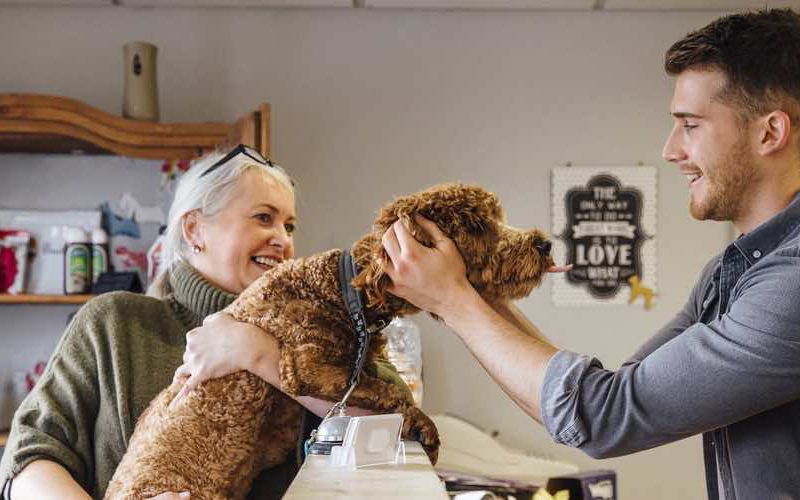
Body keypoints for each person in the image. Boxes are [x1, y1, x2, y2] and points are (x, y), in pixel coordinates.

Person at [379, 9, 800, 499]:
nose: (669, 149)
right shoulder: (731, 272)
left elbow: (605, 416)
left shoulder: (790, 282)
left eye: (690, 125)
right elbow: (604, 394)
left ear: (770, 132)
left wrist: (456, 302)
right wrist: (469, 296)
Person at [0, 144, 410, 500]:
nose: (283, 239)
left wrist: (259, 353)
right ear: (195, 229)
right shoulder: (114, 324)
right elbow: (30, 455)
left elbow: (401, 430)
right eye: (263, 218)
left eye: (289, 225)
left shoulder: (325, 335)